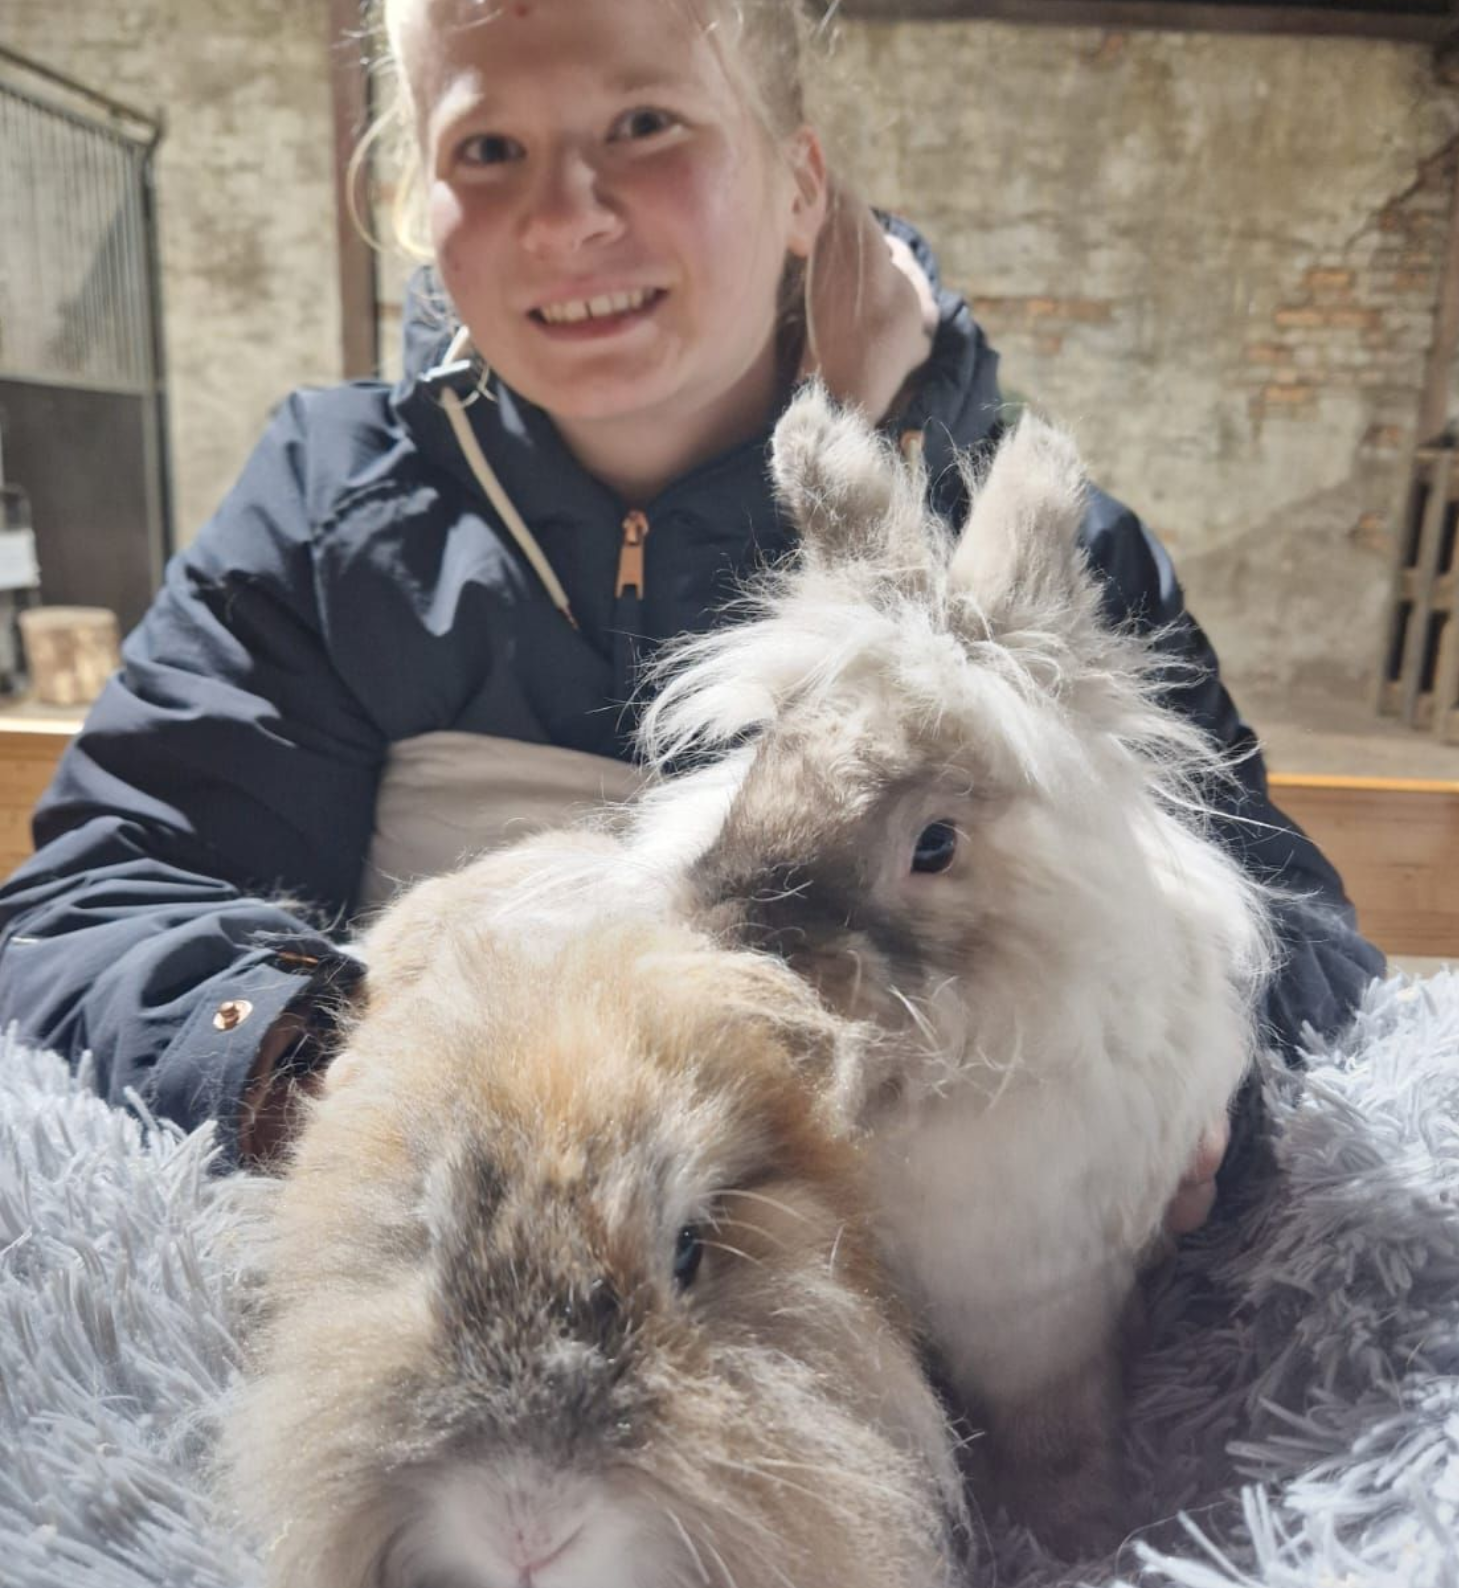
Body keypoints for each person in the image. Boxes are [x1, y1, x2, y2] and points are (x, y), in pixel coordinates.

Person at [0, 0, 1381, 1209]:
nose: (565, 215)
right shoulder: (324, 505)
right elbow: (97, 896)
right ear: (424, 197)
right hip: (501, 1270)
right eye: (489, 150)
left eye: (646, 122)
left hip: (961, 1304)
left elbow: (1290, 931)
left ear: (798, 181)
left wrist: (1198, 1076)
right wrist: (304, 1051)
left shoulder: (1028, 562)